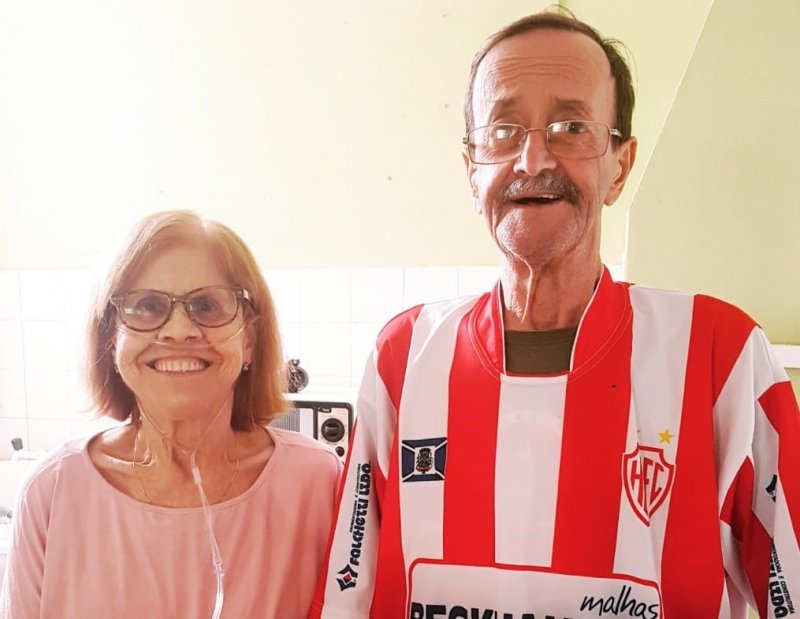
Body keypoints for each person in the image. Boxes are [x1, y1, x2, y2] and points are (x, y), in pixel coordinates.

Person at [309, 8, 800, 619]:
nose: (533, 159)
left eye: (570, 127)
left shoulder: (722, 357)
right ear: (472, 172)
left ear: (620, 166)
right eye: (503, 130)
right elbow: (346, 597)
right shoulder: (401, 358)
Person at [0, 210, 342, 618]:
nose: (178, 330)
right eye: (146, 306)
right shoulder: (53, 492)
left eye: (207, 305)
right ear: (111, 338)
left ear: (249, 338)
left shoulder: (321, 484)